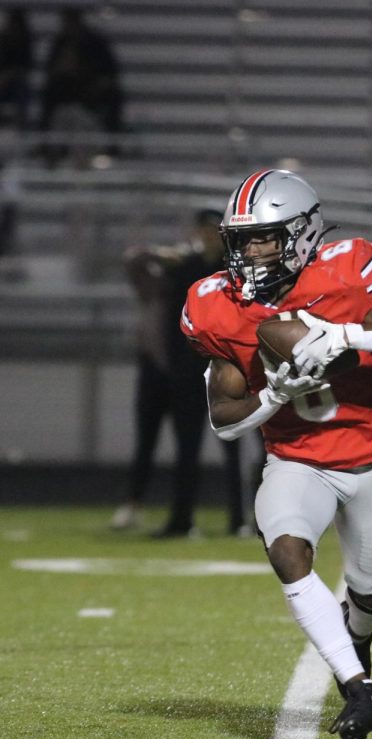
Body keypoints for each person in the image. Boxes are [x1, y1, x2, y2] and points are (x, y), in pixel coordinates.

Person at [179, 169, 372, 739]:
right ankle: (358, 687)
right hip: (296, 458)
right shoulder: (214, 304)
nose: (248, 252)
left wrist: (343, 338)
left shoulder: (349, 268)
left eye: (263, 238)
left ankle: (359, 647)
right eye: (241, 239)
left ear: (301, 234)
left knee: (370, 592)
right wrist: (274, 393)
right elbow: (224, 420)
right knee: (287, 551)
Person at [112, 209, 247, 538]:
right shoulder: (185, 268)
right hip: (191, 371)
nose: (209, 236)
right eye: (205, 230)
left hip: (228, 369)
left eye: (215, 230)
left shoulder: (236, 270)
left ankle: (240, 519)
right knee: (187, 447)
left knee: (235, 449)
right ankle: (182, 517)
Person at [37, 8, 122, 143]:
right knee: (49, 92)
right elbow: (51, 68)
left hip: (91, 86)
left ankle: (113, 142)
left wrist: (98, 80)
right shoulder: (61, 42)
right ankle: (44, 142)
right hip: (68, 88)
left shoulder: (94, 41)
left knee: (114, 95)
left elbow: (110, 69)